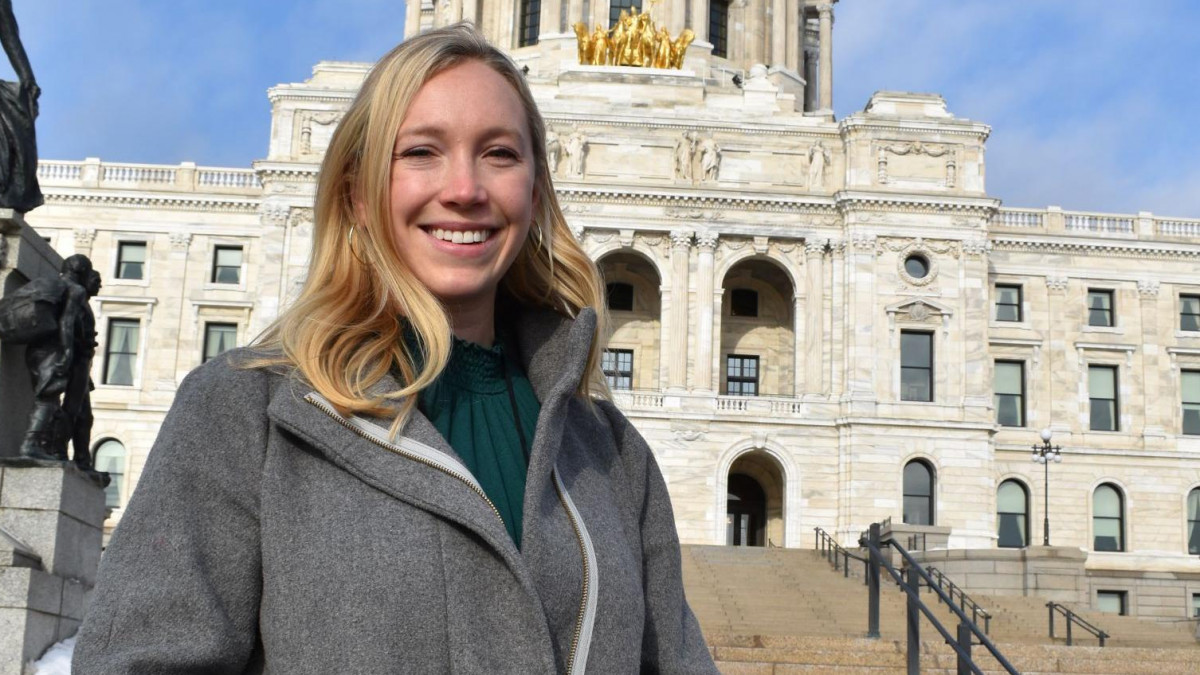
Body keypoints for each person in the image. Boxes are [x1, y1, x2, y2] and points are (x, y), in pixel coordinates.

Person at [74, 24, 717, 674]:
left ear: (536, 189)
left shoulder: (611, 454)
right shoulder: (247, 412)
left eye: (498, 153)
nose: (465, 189)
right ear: (356, 192)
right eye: (421, 152)